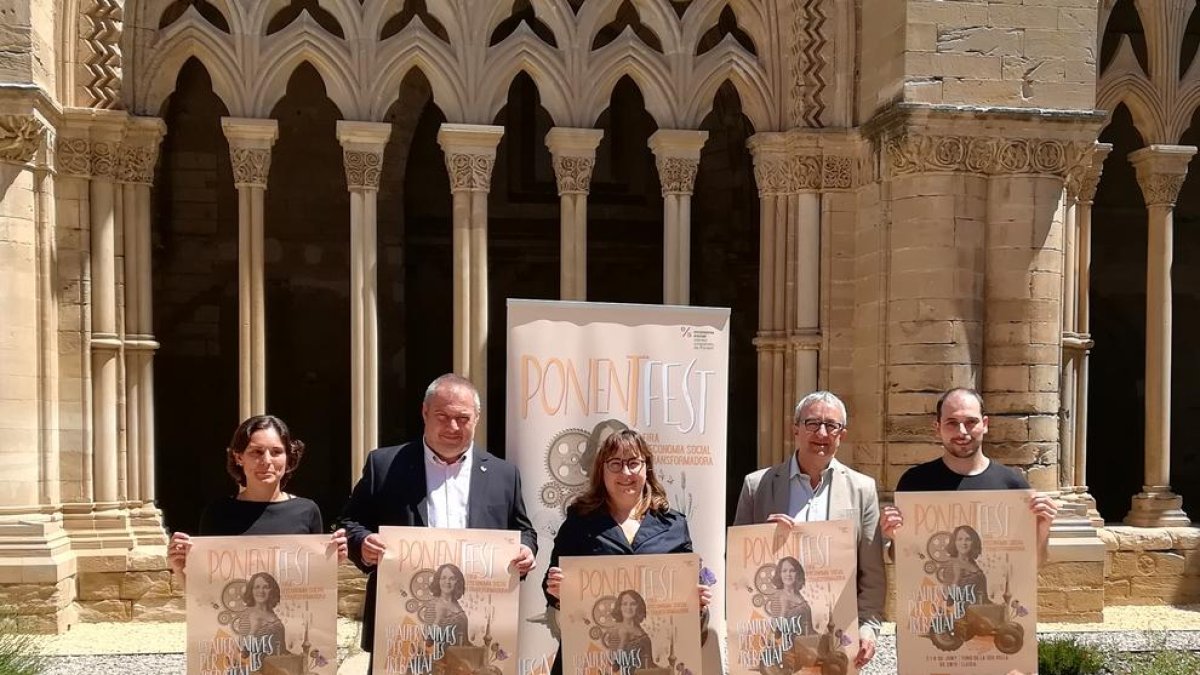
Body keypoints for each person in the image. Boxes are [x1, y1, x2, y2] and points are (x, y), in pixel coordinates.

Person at [340, 373, 538, 671]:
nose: (452, 427)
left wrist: (525, 549)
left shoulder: (504, 474)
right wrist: (362, 543)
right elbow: (351, 521)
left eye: (462, 418)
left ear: (477, 418)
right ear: (424, 413)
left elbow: (524, 530)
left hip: (474, 631)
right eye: (442, 416)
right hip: (401, 630)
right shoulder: (385, 465)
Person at [733, 391, 884, 669]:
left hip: (834, 637)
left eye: (832, 425)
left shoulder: (862, 490)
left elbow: (872, 572)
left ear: (843, 434)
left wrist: (868, 627)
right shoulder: (757, 486)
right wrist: (764, 542)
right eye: (812, 423)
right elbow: (739, 569)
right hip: (772, 634)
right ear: (796, 429)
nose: (822, 433)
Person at [543, 429, 711, 675]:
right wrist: (556, 591)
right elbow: (551, 587)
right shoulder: (579, 522)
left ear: (647, 468)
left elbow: (689, 601)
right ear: (602, 470)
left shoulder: (674, 525)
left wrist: (699, 605)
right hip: (590, 661)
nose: (626, 473)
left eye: (634, 463)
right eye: (615, 464)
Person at [880, 388, 1059, 562]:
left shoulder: (1012, 485)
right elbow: (900, 559)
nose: (962, 432)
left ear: (985, 425)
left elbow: (1035, 562)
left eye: (971, 422)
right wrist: (896, 537)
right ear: (937, 428)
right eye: (951, 422)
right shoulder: (915, 482)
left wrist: (1043, 529)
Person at [167, 415, 349, 577]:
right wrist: (179, 568)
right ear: (239, 457)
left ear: (288, 458)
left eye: (276, 452)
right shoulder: (217, 513)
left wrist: (332, 563)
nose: (267, 461)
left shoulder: (307, 511)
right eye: (257, 452)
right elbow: (206, 594)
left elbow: (314, 583)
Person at [242, 572, 287, 657]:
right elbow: (243, 653)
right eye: (257, 587)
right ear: (251, 590)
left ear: (272, 590)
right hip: (260, 667)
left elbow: (281, 649)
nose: (261, 591)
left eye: (266, 587)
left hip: (279, 664)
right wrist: (254, 629)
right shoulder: (246, 615)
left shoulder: (273, 614)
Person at [606, 590, 656, 664]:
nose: (628, 608)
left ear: (638, 606)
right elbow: (614, 665)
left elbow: (649, 664)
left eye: (633, 604)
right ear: (620, 607)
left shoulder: (641, 631)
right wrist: (623, 639)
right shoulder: (615, 630)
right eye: (625, 604)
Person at [945, 525, 988, 605]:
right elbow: (949, 599)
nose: (964, 543)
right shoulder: (951, 565)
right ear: (954, 542)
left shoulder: (974, 564)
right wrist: (957, 577)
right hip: (962, 613)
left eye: (968, 539)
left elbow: (984, 598)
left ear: (974, 542)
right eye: (960, 539)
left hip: (979, 610)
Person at [772, 556, 814, 635]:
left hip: (806, 641)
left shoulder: (799, 595)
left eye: (792, 571)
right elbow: (775, 631)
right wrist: (784, 609)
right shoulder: (778, 596)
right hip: (790, 644)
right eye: (784, 571)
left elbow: (809, 629)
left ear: (797, 573)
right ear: (779, 574)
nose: (788, 574)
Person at [429, 563, 469, 646]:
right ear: (438, 581)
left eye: (452, 578)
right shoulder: (432, 605)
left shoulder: (457, 605)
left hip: (459, 655)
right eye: (443, 578)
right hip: (443, 656)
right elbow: (427, 642)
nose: (447, 582)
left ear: (457, 582)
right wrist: (438, 619)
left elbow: (465, 641)